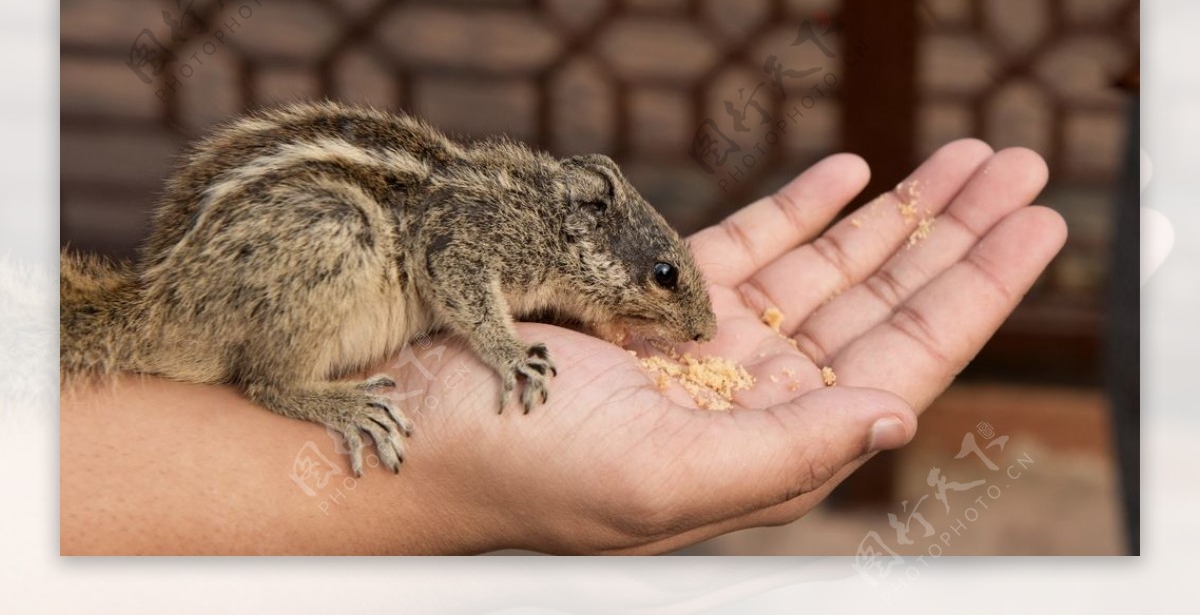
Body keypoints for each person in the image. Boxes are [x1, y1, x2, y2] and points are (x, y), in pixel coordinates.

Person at [60, 139, 1065, 555]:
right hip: (283, 264)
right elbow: (452, 267)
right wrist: (499, 356)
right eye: (665, 284)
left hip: (259, 272)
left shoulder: (555, 240)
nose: (677, 312)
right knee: (338, 232)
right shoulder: (524, 229)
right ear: (595, 233)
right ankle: (286, 386)